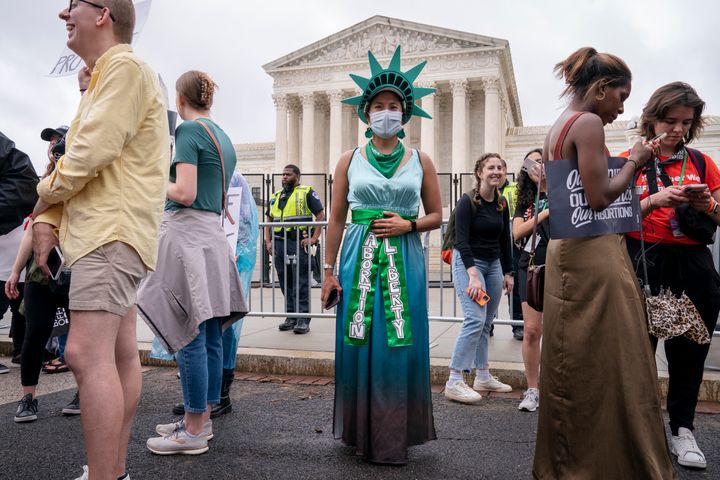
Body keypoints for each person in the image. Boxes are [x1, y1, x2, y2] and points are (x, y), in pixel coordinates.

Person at [33, 1, 170, 478]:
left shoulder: (123, 67)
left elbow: (88, 151)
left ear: (102, 14)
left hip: (109, 233)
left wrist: (42, 197)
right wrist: (49, 211)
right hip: (114, 232)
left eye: (73, 4)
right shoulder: (106, 73)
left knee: (84, 353)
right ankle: (110, 469)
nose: (62, 13)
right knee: (117, 352)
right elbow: (81, 153)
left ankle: (107, 473)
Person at [533, 47, 676, 479]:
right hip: (594, 253)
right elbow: (599, 198)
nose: (621, 108)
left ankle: (565, 460)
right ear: (600, 89)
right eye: (621, 96)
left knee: (568, 359)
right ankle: (612, 462)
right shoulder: (590, 123)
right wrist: (636, 158)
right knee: (614, 360)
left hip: (565, 251)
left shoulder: (556, 127)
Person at [323, 46, 440, 464]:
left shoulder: (421, 160)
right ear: (366, 112)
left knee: (397, 341)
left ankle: (393, 436)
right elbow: (336, 218)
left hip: (402, 257)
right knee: (361, 337)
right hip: (358, 255)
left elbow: (437, 216)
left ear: (404, 114)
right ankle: (362, 433)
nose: (385, 112)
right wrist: (328, 270)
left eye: (393, 106)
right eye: (378, 106)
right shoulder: (347, 160)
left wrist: (408, 225)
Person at [140, 70, 248, 456]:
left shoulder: (187, 132)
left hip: (186, 236)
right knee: (211, 333)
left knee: (190, 333)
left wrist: (153, 178)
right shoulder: (224, 137)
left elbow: (183, 192)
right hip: (212, 238)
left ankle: (193, 428)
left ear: (180, 101)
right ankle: (199, 418)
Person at [622, 82, 720, 470]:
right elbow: (605, 211)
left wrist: (707, 202)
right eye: (670, 120)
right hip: (642, 261)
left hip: (691, 265)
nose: (678, 129)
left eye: (686, 122)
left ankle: (682, 429)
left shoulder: (700, 161)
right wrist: (653, 200)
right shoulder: (628, 159)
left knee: (688, 354)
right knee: (636, 354)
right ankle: (638, 432)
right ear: (652, 117)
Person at [7, 125, 82, 423]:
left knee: (81, 339)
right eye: (51, 141)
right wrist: (15, 273)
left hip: (75, 269)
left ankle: (83, 391)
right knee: (34, 335)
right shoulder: (46, 183)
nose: (52, 145)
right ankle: (28, 398)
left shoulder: (78, 180)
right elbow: (31, 232)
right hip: (40, 273)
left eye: (57, 140)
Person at [171, 171, 258, 418]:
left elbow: (242, 221)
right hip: (204, 255)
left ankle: (221, 394)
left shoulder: (233, 179)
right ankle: (201, 396)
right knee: (201, 326)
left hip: (230, 257)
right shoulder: (194, 175)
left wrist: (235, 249)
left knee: (224, 327)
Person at [444, 153, 514, 405]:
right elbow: (461, 241)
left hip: (494, 265)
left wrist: (508, 272)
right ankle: (454, 380)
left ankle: (482, 375)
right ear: (479, 173)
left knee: (487, 322)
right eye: (491, 167)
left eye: (500, 167)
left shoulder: (501, 204)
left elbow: (505, 240)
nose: (496, 171)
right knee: (474, 319)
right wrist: (473, 275)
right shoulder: (466, 202)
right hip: (468, 263)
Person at [265, 165, 325, 334]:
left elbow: (320, 216)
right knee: (285, 281)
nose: (284, 177)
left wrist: (313, 238)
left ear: (297, 177)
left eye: (288, 174)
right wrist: (268, 242)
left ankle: (303, 319)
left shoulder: (307, 192)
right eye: (283, 174)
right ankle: (290, 316)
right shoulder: (276, 196)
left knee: (301, 281)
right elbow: (268, 221)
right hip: (279, 244)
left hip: (298, 242)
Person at [510, 148, 546, 412]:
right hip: (531, 266)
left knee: (560, 332)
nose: (538, 168)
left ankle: (556, 387)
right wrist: (545, 212)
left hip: (562, 264)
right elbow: (518, 231)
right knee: (532, 331)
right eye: (532, 164)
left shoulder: (566, 191)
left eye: (543, 162)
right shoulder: (526, 200)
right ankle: (533, 389)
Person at [0, 132, 38, 374]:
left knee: (19, 305)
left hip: (15, 254)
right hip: (12, 257)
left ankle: (21, 353)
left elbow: (22, 181)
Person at [498, 159, 523, 341]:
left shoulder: (515, 188)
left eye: (500, 168)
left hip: (512, 244)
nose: (497, 172)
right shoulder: (479, 193)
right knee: (487, 288)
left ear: (506, 170)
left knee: (513, 287)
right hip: (490, 245)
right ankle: (487, 324)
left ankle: (517, 326)